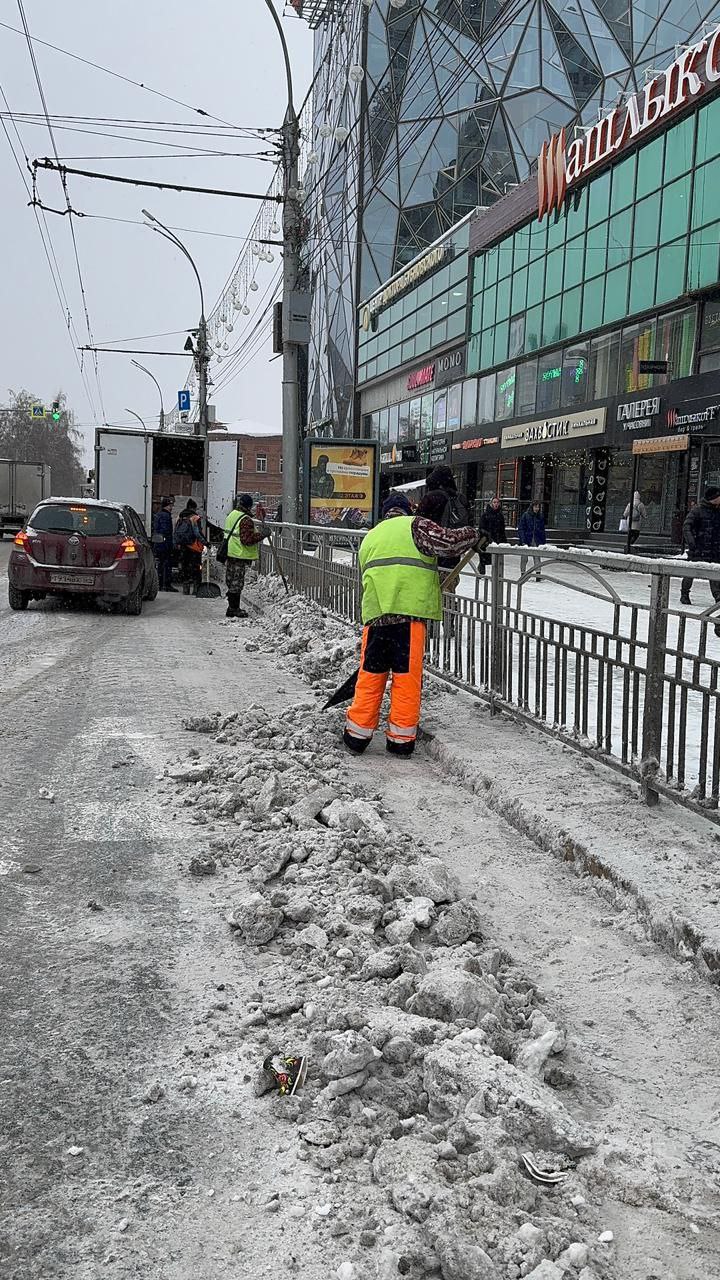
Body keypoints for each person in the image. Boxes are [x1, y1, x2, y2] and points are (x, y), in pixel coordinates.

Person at [343, 490, 483, 758]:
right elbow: (449, 542)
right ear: (407, 510)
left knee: (370, 677)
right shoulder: (416, 526)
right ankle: (400, 740)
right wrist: (475, 534)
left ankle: (356, 735)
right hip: (408, 619)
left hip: (375, 620)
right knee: (406, 680)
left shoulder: (370, 537)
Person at [223, 493, 270, 618]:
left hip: (230, 553)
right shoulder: (245, 519)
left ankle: (231, 607)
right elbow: (246, 540)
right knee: (237, 583)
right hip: (239, 554)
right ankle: (234, 608)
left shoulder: (232, 515)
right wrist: (262, 535)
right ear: (249, 506)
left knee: (231, 580)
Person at [423, 465, 472, 580]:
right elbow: (469, 522)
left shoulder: (432, 497)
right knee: (449, 585)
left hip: (432, 550)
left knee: (432, 588)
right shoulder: (459, 498)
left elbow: (418, 522)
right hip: (453, 551)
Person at [681, 486, 720, 619]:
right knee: (691, 572)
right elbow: (687, 526)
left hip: (715, 549)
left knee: (714, 573)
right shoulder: (698, 510)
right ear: (713, 498)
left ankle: (718, 597)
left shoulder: (718, 511)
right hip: (699, 548)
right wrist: (692, 543)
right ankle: (684, 593)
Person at [175, 500, 207, 595]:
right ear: (193, 508)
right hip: (194, 547)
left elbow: (176, 531)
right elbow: (197, 533)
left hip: (183, 546)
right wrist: (205, 542)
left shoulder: (180, 517)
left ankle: (186, 589)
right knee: (196, 568)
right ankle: (196, 589)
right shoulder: (195, 518)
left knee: (185, 567)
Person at [151, 497, 177, 592]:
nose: (171, 507)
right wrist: (169, 543)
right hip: (164, 544)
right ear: (167, 506)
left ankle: (160, 583)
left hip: (158, 543)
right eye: (170, 505)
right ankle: (166, 584)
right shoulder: (166, 516)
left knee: (161, 564)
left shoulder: (158, 515)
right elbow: (166, 531)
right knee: (166, 564)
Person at [518, 500, 547, 582]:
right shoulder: (526, 515)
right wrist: (522, 539)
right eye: (535, 506)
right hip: (527, 538)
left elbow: (542, 530)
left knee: (537, 556)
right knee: (524, 557)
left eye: (538, 507)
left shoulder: (540, 516)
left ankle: (538, 574)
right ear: (532, 507)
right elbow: (521, 528)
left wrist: (543, 542)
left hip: (536, 538)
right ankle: (523, 573)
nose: (537, 508)